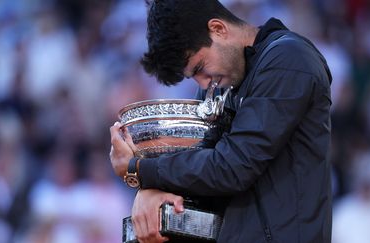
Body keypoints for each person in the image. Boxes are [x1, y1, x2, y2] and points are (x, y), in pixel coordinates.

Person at [109, 0, 333, 242]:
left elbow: (233, 167)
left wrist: (140, 171)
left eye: (201, 68)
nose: (204, 84)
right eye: (193, 77)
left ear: (218, 29)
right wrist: (151, 191)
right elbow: (199, 168)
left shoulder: (289, 59)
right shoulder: (219, 84)